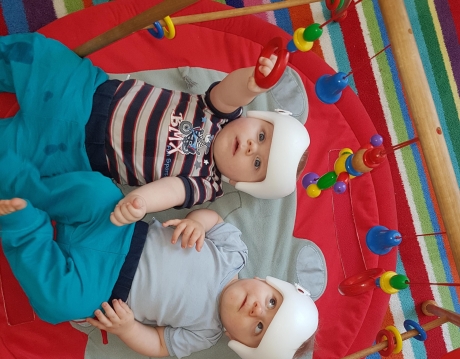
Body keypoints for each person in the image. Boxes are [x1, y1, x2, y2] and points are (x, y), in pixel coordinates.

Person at [0, 151, 318, 359]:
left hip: (101, 284)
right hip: (120, 227)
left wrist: (128, 329)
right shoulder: (234, 254)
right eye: (272, 302)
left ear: (237, 342)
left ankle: (24, 226)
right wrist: (196, 223)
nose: (257, 310)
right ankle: (25, 184)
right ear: (266, 282)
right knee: (96, 191)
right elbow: (212, 219)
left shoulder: (204, 334)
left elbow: (158, 344)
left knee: (59, 302)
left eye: (259, 327)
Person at [0, 32, 310, 227]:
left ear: (243, 184)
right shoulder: (219, 113)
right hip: (86, 92)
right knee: (41, 56)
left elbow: (173, 190)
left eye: (257, 163)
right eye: (261, 136)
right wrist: (252, 83)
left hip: (75, 151)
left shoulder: (206, 183)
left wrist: (142, 203)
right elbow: (231, 91)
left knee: (14, 158)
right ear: (257, 117)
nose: (251, 147)